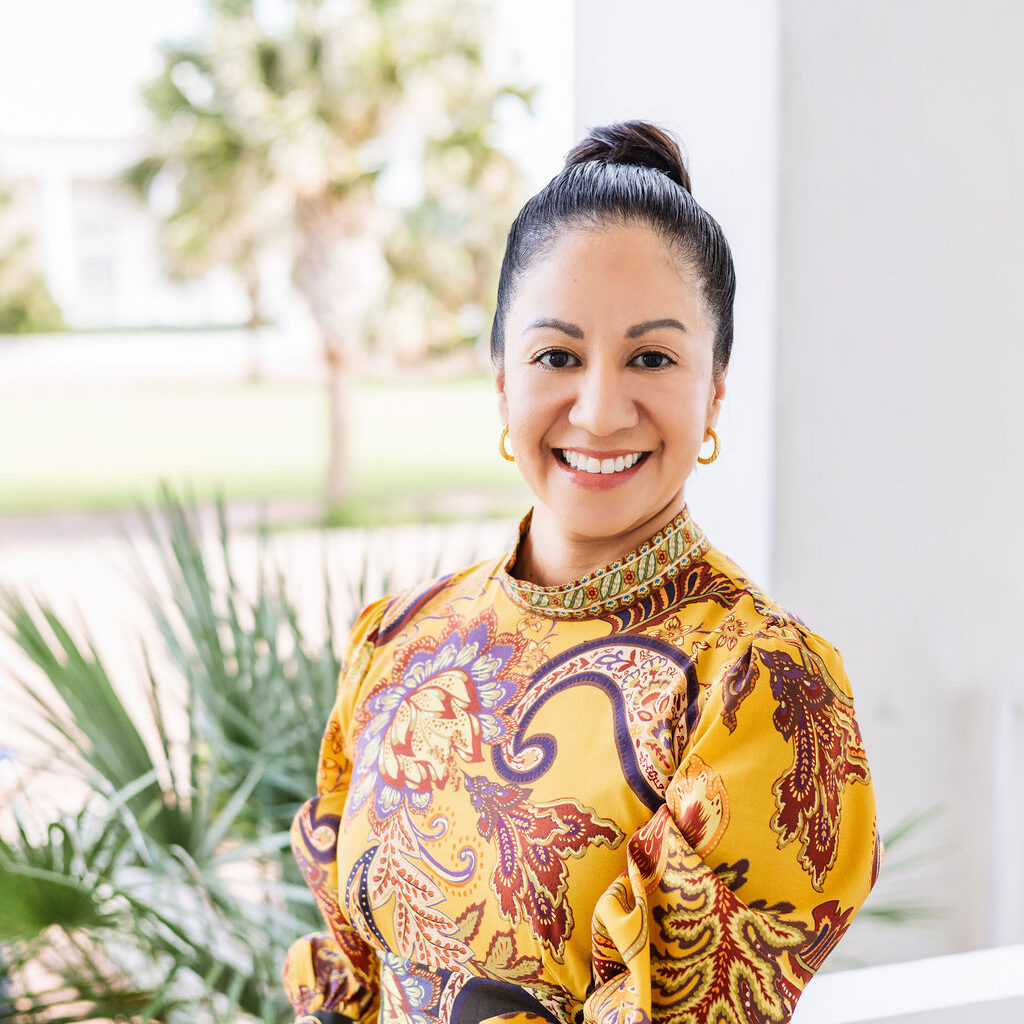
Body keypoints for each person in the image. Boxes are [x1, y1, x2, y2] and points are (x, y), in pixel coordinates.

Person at [282, 120, 881, 1024]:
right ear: (502, 379)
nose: (600, 412)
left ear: (715, 389)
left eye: (652, 358)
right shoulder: (397, 642)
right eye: (557, 356)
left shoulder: (760, 686)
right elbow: (349, 978)